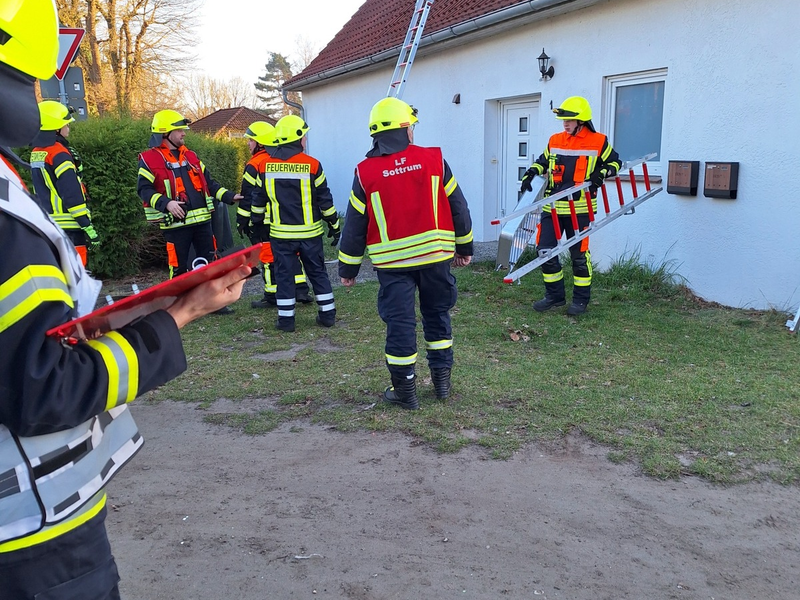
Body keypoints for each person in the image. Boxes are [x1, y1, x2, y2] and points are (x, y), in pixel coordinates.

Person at [0, 2, 251, 598]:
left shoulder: (185, 159)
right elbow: (45, 385)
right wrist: (177, 313)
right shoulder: (13, 223)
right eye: (34, 83)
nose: (40, 105)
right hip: (33, 536)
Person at [338, 98, 474, 410]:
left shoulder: (365, 172)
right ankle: (441, 384)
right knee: (437, 315)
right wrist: (464, 247)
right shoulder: (434, 159)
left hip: (392, 264)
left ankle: (406, 392)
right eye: (411, 125)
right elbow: (458, 207)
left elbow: (355, 224)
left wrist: (348, 268)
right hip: (435, 257)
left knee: (400, 324)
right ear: (405, 129)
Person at [520, 96, 621, 316]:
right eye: (563, 119)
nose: (565, 123)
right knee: (545, 251)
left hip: (580, 209)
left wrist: (601, 173)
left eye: (569, 119)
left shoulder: (598, 141)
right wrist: (531, 173)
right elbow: (543, 161)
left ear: (581, 121)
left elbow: (615, 162)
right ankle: (554, 296)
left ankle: (580, 301)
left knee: (579, 255)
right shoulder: (555, 139)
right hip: (552, 207)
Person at [137, 109, 243, 291]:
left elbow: (209, 184)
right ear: (165, 133)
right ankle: (181, 305)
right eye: (179, 130)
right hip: (175, 226)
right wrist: (167, 204)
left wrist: (230, 196)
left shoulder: (191, 156)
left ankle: (213, 301)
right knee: (178, 268)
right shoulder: (148, 159)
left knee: (210, 264)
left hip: (202, 222)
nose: (184, 133)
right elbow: (144, 190)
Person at [263, 114, 339, 332]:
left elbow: (258, 200)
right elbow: (325, 200)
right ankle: (327, 315)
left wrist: (254, 221)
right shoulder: (312, 165)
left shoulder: (267, 166)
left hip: (280, 234)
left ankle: (286, 320)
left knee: (285, 276)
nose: (305, 139)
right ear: (297, 138)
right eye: (304, 135)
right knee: (317, 273)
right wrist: (334, 225)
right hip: (310, 233)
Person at [239, 120, 311, 308]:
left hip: (264, 220)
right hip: (286, 219)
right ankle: (301, 288)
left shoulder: (254, 165)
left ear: (260, 143)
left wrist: (243, 221)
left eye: (251, 140)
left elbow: (248, 198)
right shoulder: (280, 159)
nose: (248, 144)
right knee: (292, 253)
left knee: (269, 258)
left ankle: (272, 295)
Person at [29, 100, 99, 266]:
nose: (68, 127)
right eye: (66, 124)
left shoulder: (37, 153)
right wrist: (86, 224)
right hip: (69, 224)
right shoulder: (59, 153)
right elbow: (71, 192)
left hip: (48, 222)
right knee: (77, 274)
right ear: (56, 129)